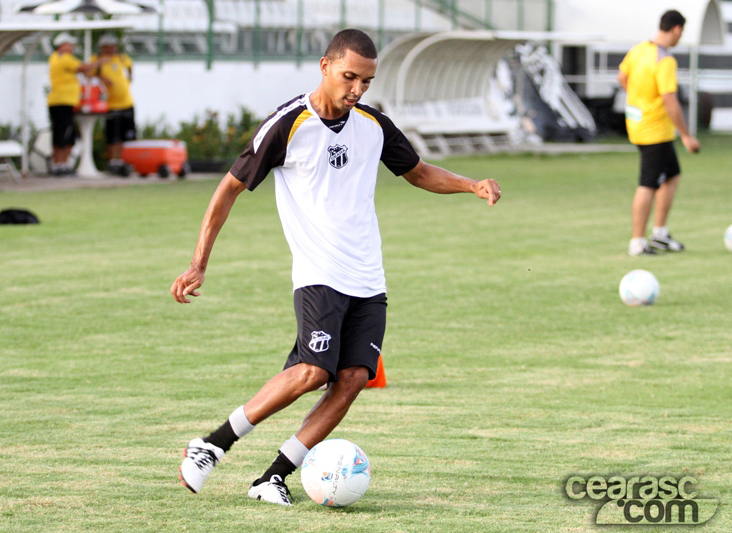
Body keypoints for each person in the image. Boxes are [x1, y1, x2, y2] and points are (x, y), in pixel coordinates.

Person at [170, 29, 501, 506]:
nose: (357, 89)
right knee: (311, 372)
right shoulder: (287, 125)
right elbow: (228, 190)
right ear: (325, 66)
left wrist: (472, 185)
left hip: (369, 276)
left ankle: (273, 477)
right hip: (319, 272)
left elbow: (419, 172)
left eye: (366, 81)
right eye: (350, 77)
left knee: (352, 379)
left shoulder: (373, 124)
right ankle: (213, 444)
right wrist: (199, 263)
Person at [618, 10, 700, 256]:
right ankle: (637, 242)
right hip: (655, 130)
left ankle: (660, 234)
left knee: (672, 175)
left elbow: (622, 77)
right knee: (648, 184)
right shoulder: (664, 60)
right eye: (681, 32)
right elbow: (670, 101)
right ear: (676, 29)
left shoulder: (639, 50)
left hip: (638, 124)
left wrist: (639, 100)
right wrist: (686, 135)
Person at [47, 33, 106, 176]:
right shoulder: (64, 58)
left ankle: (60, 164)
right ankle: (60, 165)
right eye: (70, 44)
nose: (73, 47)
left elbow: (81, 71)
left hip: (59, 101)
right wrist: (100, 62)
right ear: (63, 45)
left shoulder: (54, 57)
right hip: (63, 101)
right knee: (65, 134)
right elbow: (84, 68)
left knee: (63, 133)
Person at [92, 34, 136, 174]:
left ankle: (122, 160)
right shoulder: (97, 60)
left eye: (114, 46)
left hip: (127, 102)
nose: (112, 49)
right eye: (109, 46)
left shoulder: (122, 58)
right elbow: (89, 73)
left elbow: (130, 67)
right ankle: (113, 161)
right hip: (111, 104)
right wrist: (102, 75)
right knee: (113, 135)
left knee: (126, 135)